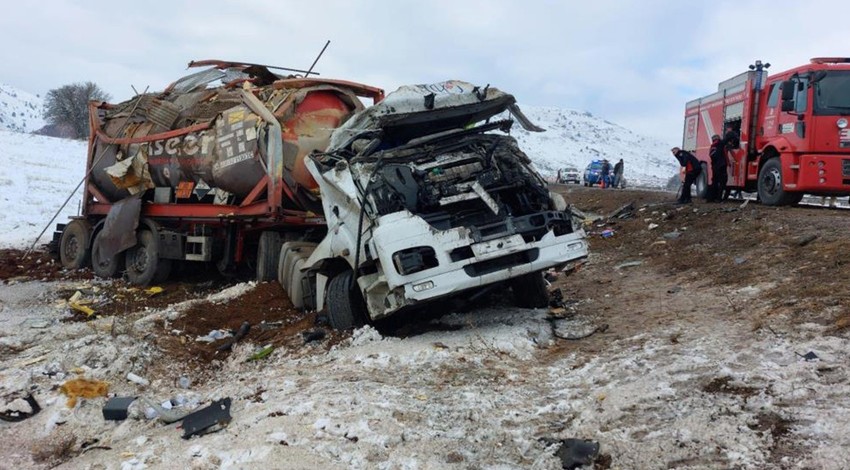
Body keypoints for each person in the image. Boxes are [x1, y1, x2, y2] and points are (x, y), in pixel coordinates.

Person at [707, 135, 727, 202]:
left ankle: (711, 198)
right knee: (722, 182)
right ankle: (719, 198)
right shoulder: (720, 143)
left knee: (714, 182)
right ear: (718, 138)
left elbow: (711, 156)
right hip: (721, 166)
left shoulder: (712, 146)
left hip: (714, 166)